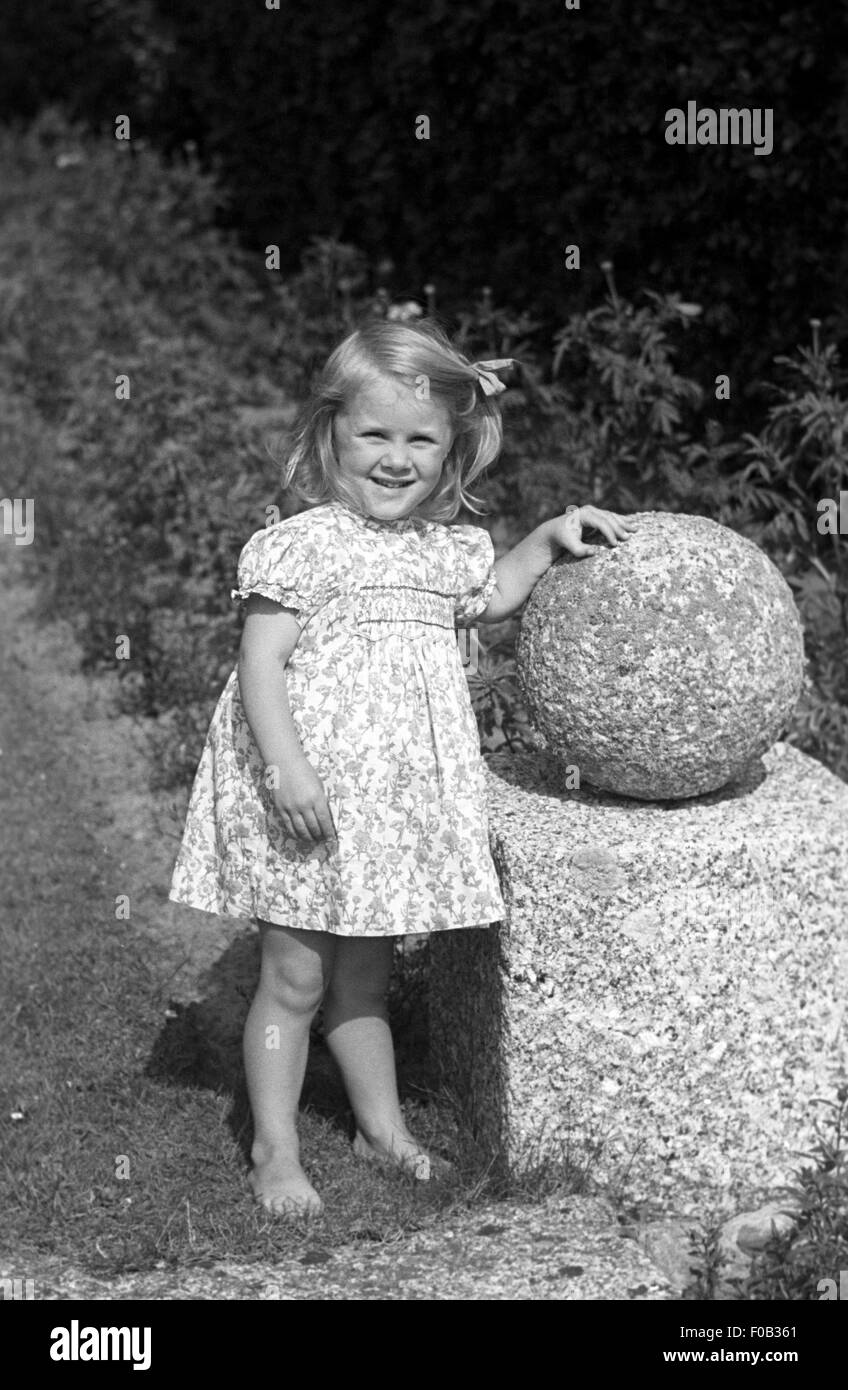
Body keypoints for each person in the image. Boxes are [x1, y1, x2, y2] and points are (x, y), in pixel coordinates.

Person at [168, 318, 636, 1214]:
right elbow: (258, 663)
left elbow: (493, 594)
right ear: (330, 436)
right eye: (373, 435)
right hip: (308, 800)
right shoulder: (301, 544)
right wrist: (286, 770)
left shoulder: (441, 549)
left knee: (363, 981)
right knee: (296, 977)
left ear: (453, 446)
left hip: (387, 814)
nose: (395, 458)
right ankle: (273, 1146)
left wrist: (551, 534)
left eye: (419, 439)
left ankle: (382, 1128)